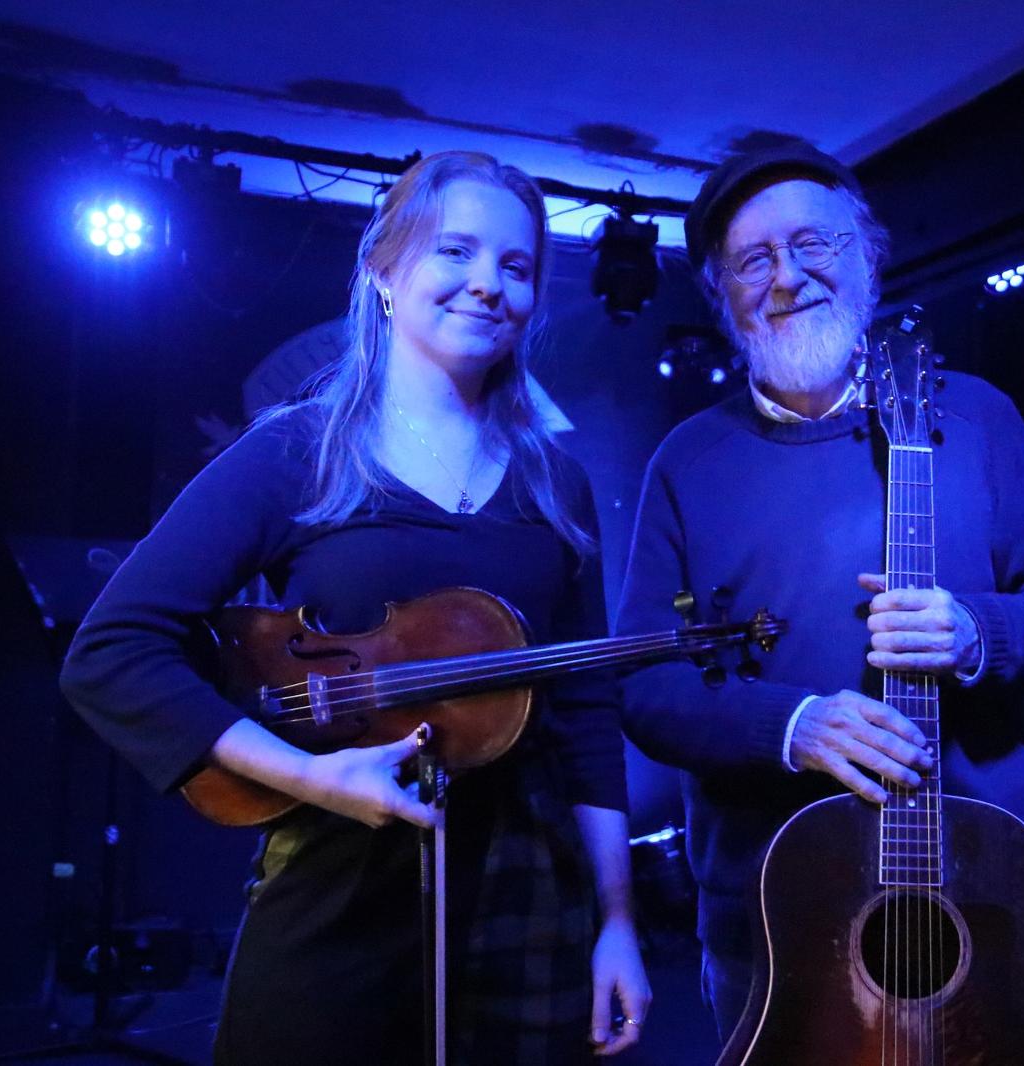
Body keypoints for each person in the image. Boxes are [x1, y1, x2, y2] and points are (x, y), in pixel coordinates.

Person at [60, 151, 650, 1064]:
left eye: (516, 265)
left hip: (526, 892)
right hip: (337, 881)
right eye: (454, 251)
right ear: (384, 269)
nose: (487, 284)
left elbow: (585, 712)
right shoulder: (299, 451)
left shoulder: (556, 482)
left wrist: (617, 923)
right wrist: (315, 779)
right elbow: (114, 650)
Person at [614, 142, 1024, 1041]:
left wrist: (976, 632)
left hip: (977, 893)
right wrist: (792, 726)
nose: (787, 276)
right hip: (770, 914)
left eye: (814, 244)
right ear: (721, 294)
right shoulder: (687, 460)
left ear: (868, 255)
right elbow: (644, 684)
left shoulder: (978, 416)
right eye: (753, 260)